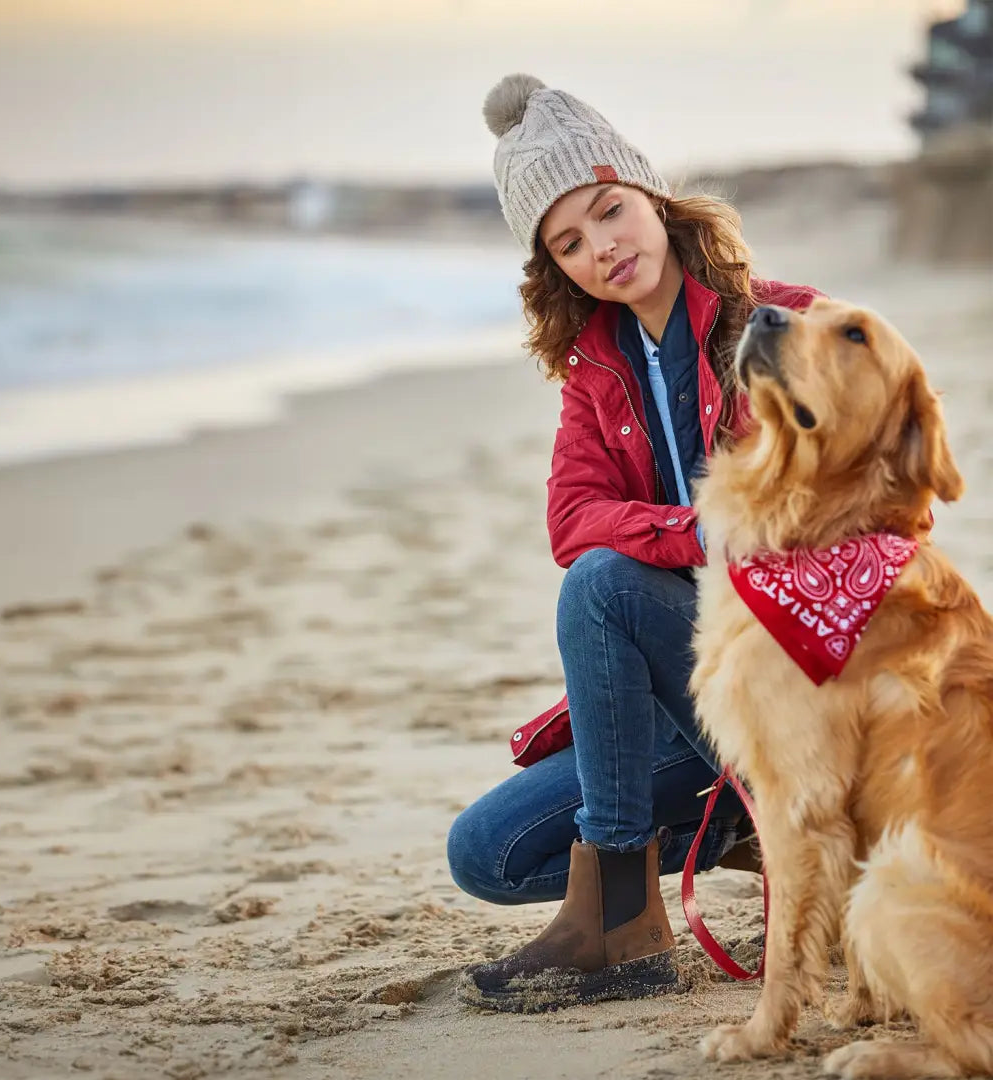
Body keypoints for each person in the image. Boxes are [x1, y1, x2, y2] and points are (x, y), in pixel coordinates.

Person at [447, 74, 822, 1013]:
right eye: (568, 242)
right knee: (486, 854)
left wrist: (692, 543)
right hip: (686, 706)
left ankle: (621, 919)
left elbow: (841, 509)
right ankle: (725, 831)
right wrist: (697, 530)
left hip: (790, 680)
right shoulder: (598, 367)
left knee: (605, 587)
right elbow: (571, 519)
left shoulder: (782, 324)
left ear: (650, 195)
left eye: (609, 211)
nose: (601, 248)